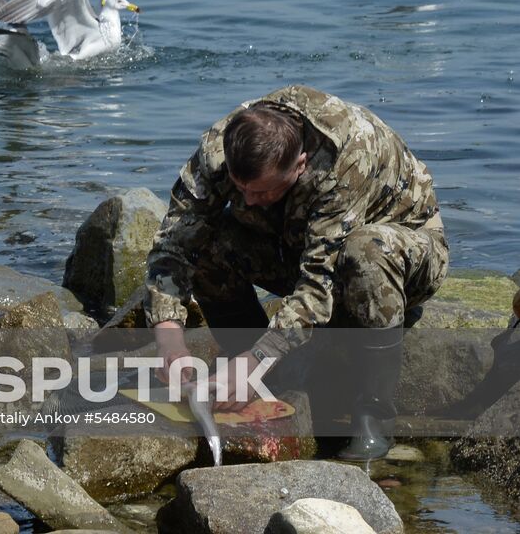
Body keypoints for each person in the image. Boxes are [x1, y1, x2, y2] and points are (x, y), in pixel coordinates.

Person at [144, 84, 449, 460]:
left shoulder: (347, 156)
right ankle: (258, 370)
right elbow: (173, 242)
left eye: (264, 191)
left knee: (367, 249)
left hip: (398, 258)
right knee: (208, 239)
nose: (249, 200)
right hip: (297, 243)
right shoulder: (220, 149)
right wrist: (169, 339)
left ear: (301, 163)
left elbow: (319, 283)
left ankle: (373, 419)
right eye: (242, 189)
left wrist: (258, 359)